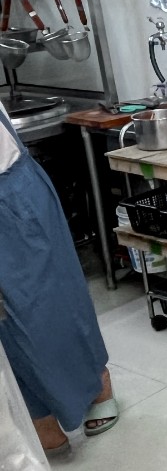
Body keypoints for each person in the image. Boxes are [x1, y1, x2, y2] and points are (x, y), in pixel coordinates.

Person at [0, 101, 119, 458]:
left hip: (11, 196)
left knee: (50, 302)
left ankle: (98, 385)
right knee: (7, 329)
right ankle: (40, 419)